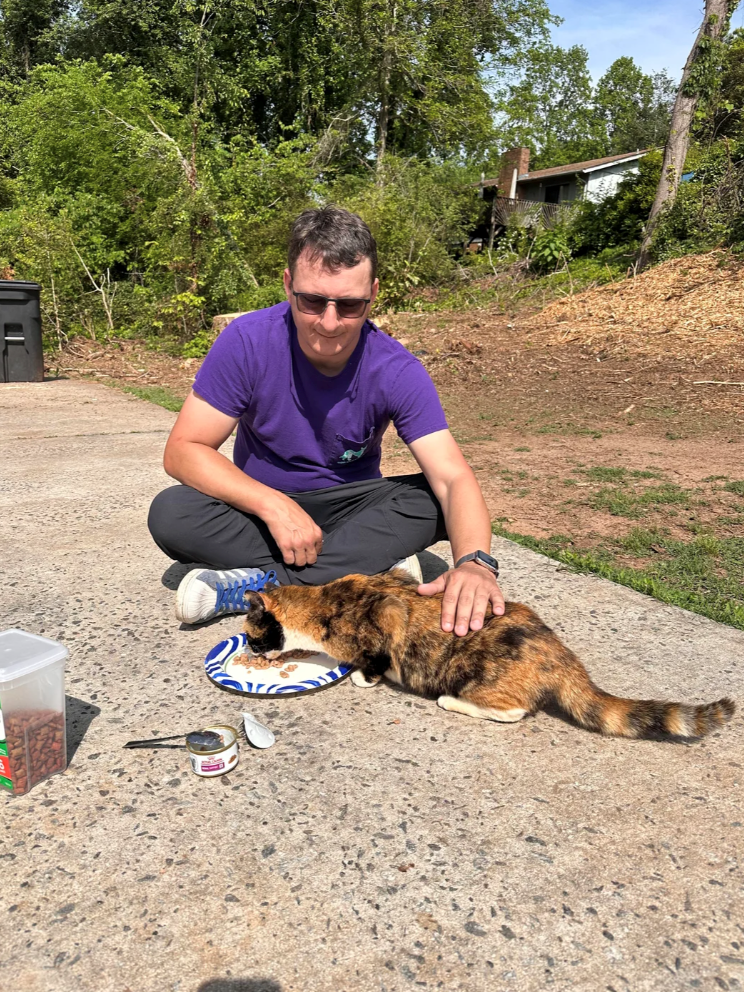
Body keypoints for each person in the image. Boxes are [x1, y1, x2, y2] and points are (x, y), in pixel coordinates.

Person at [148, 206, 505, 636]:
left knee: (434, 502)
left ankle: (261, 586)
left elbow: (452, 476)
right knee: (171, 513)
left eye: (350, 305)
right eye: (313, 301)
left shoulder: (397, 370)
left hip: (351, 508)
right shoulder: (246, 342)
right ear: (288, 285)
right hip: (261, 509)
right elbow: (183, 450)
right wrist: (273, 505)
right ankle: (366, 570)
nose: (330, 322)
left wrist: (475, 564)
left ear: (373, 294)